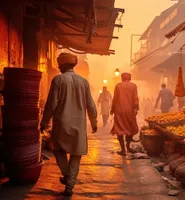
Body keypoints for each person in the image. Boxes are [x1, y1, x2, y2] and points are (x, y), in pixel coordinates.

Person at [40, 53, 97, 196]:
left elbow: (51, 104)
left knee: (58, 150)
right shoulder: (83, 82)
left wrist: (44, 122)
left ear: (64, 65)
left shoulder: (58, 80)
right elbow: (90, 104)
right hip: (79, 125)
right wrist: (93, 121)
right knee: (76, 155)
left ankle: (68, 177)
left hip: (61, 125)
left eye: (59, 64)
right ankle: (70, 185)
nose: (58, 67)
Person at [110, 73, 139, 156]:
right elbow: (135, 98)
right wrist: (136, 108)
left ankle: (123, 149)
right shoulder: (134, 86)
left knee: (119, 129)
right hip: (130, 111)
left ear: (122, 78)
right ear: (130, 78)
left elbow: (115, 98)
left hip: (119, 110)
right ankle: (128, 146)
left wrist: (112, 109)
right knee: (130, 128)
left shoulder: (118, 86)